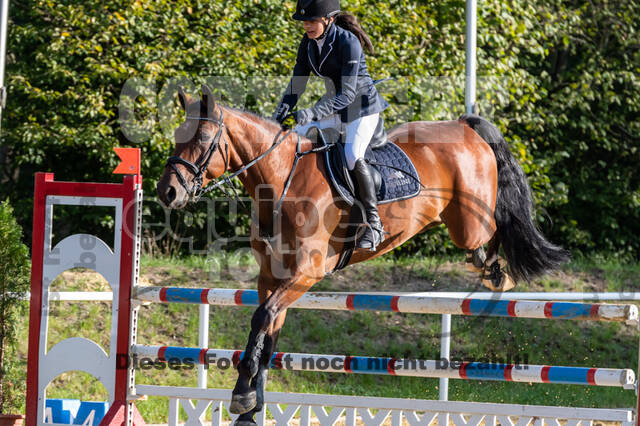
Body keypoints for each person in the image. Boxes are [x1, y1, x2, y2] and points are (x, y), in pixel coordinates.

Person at [273, 0, 389, 250]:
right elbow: (296, 86)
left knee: (352, 155)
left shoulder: (348, 42)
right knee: (293, 140)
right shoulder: (307, 44)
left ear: (329, 19)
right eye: (304, 21)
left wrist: (313, 112)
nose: (306, 26)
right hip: (334, 106)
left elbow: (348, 95)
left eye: (312, 21)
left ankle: (373, 222)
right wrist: (277, 118)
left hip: (362, 108)